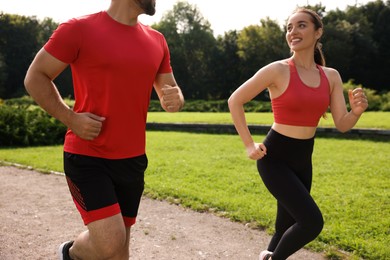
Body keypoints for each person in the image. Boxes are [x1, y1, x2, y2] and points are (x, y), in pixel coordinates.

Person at [24, 0, 184, 259]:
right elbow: (35, 76)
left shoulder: (158, 40)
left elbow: (171, 93)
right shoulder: (78, 29)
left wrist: (177, 99)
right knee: (110, 242)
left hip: (132, 159)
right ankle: (70, 253)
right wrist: (71, 118)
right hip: (88, 155)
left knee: (119, 253)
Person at [228, 7, 368, 260]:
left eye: (301, 25)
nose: (293, 32)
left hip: (303, 159)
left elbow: (343, 124)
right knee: (312, 222)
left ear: (318, 32)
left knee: (285, 227)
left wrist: (356, 111)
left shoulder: (331, 76)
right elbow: (235, 100)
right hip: (275, 157)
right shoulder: (277, 70)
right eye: (289, 27)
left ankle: (269, 255)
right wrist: (249, 145)